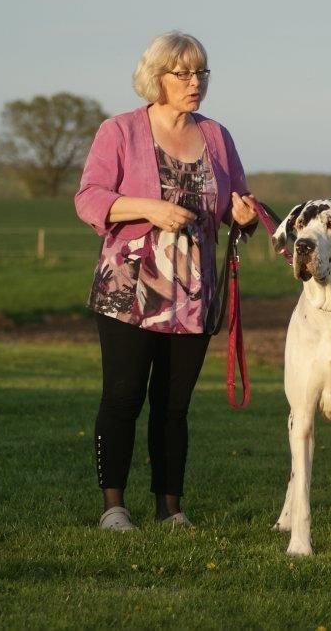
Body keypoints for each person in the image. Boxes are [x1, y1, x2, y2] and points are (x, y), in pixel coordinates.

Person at [73, 31, 258, 531]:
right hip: (129, 289)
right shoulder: (120, 131)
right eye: (184, 73)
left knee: (174, 407)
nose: (195, 82)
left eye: (201, 72)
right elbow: (89, 197)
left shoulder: (217, 136)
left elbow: (238, 206)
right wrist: (149, 208)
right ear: (158, 78)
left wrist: (243, 215)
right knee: (124, 396)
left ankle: (170, 508)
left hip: (195, 295)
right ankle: (114, 507)